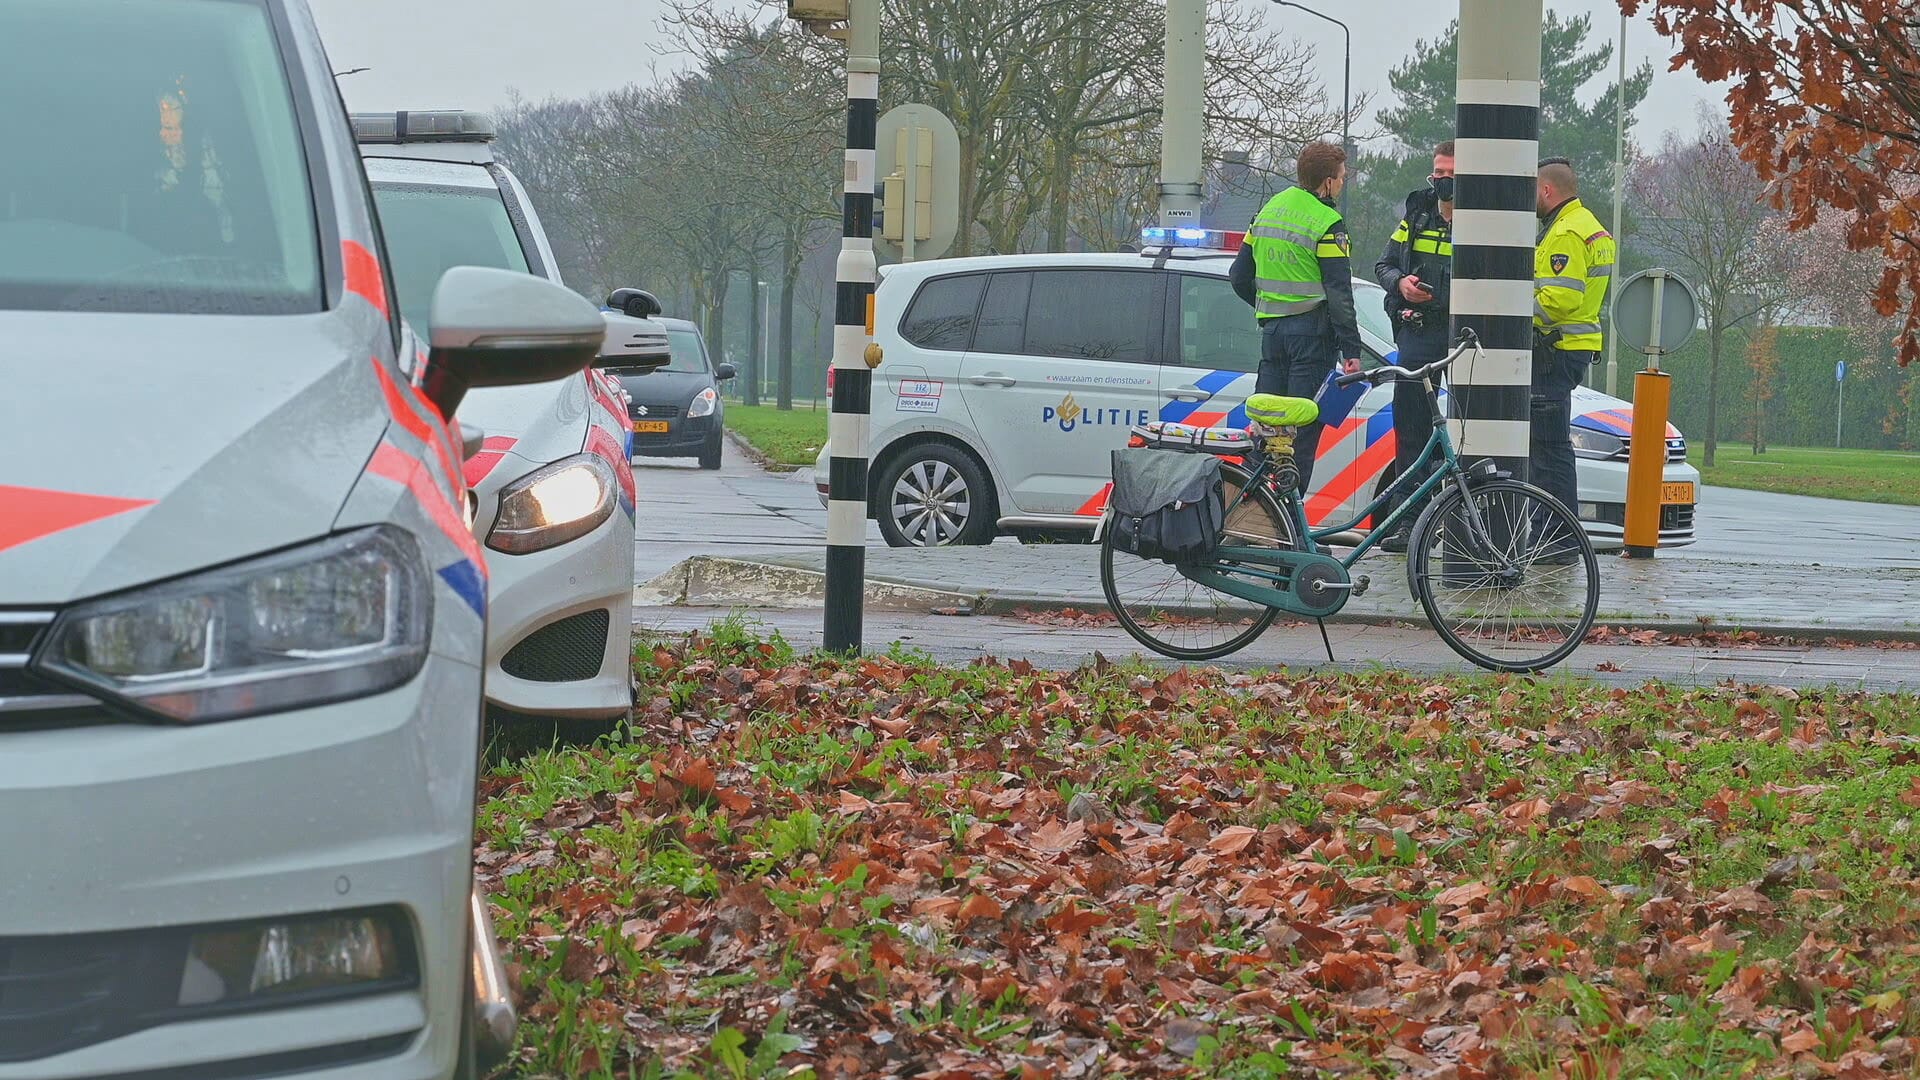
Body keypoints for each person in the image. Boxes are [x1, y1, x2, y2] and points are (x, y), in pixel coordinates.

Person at [1229, 141, 1364, 494]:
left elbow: (1239, 277)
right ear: (1328, 183)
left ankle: (1248, 519)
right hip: (1313, 339)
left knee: (1266, 430)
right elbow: (1339, 293)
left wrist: (1271, 307)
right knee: (1300, 435)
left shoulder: (1269, 211)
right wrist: (1352, 351)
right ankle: (1290, 528)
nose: (1343, 182)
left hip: (1272, 335)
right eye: (1342, 177)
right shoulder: (1327, 222)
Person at [1372, 140, 1456, 552]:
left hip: (1463, 337)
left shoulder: (1485, 221)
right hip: (1420, 334)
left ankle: (1459, 524)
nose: (1442, 181)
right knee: (1411, 431)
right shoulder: (1417, 215)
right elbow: (1384, 265)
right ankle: (1408, 524)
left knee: (1464, 433)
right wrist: (1401, 284)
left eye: (1450, 174)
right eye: (1437, 173)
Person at [1532, 158, 1616, 555]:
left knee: (1547, 449)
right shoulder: (1590, 226)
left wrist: (1511, 315)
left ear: (1547, 190)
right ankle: (1558, 536)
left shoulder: (1564, 233)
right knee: (1552, 446)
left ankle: (1556, 538)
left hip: (1554, 348)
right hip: (1572, 349)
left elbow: (1559, 300)